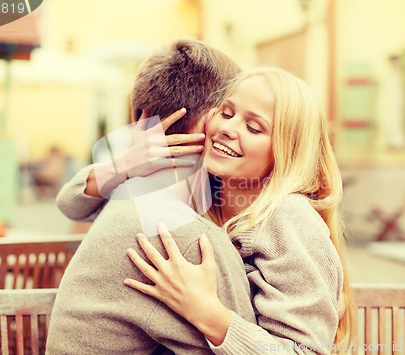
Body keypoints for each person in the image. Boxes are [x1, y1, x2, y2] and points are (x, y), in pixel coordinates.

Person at [124, 66, 356, 354]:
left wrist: (207, 314)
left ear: (286, 150)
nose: (227, 129)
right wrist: (124, 166)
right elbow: (78, 203)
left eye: (253, 127)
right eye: (227, 112)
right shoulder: (205, 198)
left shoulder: (288, 217)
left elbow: (303, 351)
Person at [46, 39, 257, 354]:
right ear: (209, 125)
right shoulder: (190, 238)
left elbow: (70, 201)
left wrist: (123, 166)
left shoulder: (129, 195)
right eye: (228, 114)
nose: (233, 129)